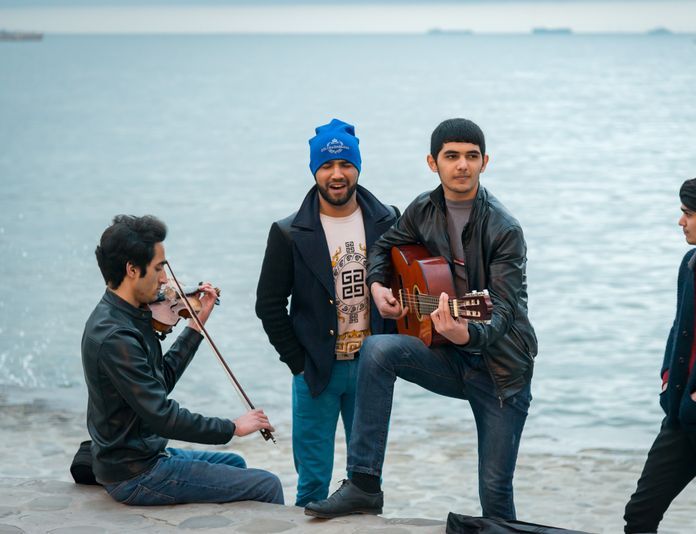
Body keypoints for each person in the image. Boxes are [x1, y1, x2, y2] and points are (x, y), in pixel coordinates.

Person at [304, 118, 537, 520]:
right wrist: (378, 286)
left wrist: (467, 333)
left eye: (471, 156)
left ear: (485, 162)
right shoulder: (422, 210)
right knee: (377, 349)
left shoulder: (505, 229)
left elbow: (501, 311)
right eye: (451, 156)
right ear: (433, 163)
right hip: (447, 357)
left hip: (500, 370)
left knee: (495, 491)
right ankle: (364, 484)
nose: (461, 165)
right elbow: (384, 247)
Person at [82, 214, 284, 506]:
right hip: (135, 473)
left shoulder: (131, 315)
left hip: (143, 454)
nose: (165, 278)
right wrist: (232, 427)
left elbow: (159, 381)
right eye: (158, 268)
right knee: (267, 485)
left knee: (236, 463)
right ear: (132, 269)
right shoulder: (115, 336)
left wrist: (195, 325)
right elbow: (163, 416)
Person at [255, 119, 399, 506]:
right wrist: (298, 362)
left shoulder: (389, 220)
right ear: (314, 170)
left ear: (358, 167)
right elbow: (268, 305)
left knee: (367, 482)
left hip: (372, 368)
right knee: (312, 484)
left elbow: (403, 284)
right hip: (315, 371)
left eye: (346, 165)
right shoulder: (287, 232)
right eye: (327, 166)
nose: (337, 175)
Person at [623, 173, 696, 533]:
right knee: (639, 514)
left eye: (688, 213)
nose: (681, 221)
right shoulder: (690, 264)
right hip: (680, 413)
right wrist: (667, 375)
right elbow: (680, 328)